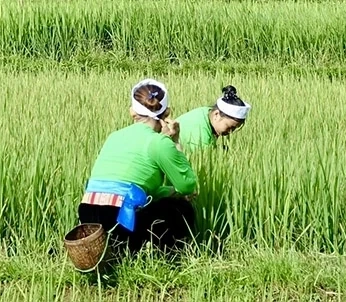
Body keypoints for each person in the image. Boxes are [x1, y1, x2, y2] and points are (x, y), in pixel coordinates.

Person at [78, 79, 198, 254]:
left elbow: (133, 184)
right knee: (181, 207)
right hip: (121, 216)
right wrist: (175, 141)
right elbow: (187, 185)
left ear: (132, 112)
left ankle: (120, 253)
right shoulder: (159, 142)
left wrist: (167, 190)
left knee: (158, 201)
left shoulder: (114, 136)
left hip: (88, 213)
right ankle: (170, 260)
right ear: (168, 113)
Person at [175, 85, 251, 153]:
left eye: (234, 128)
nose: (230, 132)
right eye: (230, 127)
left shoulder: (207, 112)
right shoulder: (200, 137)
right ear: (216, 114)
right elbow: (202, 162)